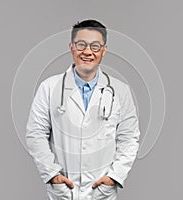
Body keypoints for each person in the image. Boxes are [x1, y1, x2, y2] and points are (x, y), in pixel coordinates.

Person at [26, 19, 140, 200]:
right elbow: (35, 134)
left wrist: (114, 177)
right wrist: (52, 175)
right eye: (81, 45)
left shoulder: (121, 91)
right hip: (63, 191)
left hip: (102, 192)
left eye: (95, 46)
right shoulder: (49, 87)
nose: (87, 52)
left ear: (104, 50)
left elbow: (129, 138)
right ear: (71, 47)